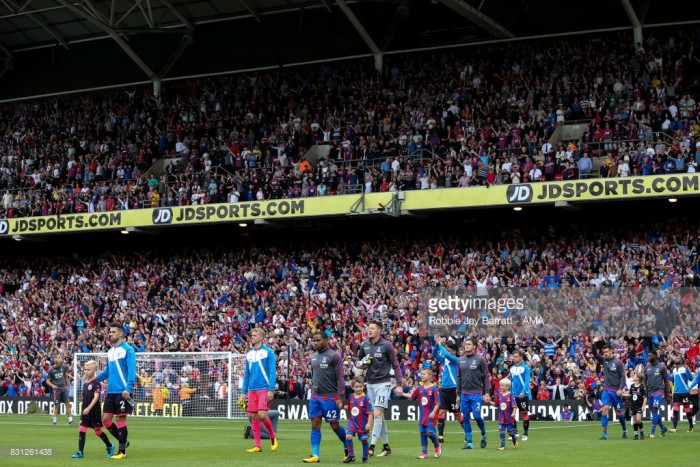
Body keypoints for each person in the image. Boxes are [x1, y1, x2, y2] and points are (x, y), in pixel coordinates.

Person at [356, 320, 403, 457]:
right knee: (379, 416)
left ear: (379, 330)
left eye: (372, 328)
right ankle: (386, 447)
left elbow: (396, 365)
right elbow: (360, 363)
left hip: (383, 383)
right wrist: (362, 364)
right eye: (368, 328)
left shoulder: (387, 345)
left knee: (376, 414)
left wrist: (399, 384)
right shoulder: (364, 345)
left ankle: (371, 447)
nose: (369, 330)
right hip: (369, 384)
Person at [303, 331, 347, 464]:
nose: (315, 343)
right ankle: (315, 455)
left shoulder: (335, 355)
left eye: (318, 340)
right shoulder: (314, 356)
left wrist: (340, 397)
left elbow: (340, 377)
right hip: (315, 397)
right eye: (314, 341)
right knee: (315, 425)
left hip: (330, 398)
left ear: (326, 340)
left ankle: (347, 447)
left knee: (335, 426)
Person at [96, 322, 136, 459]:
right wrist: (96, 379)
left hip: (123, 391)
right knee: (105, 420)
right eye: (110, 332)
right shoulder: (110, 351)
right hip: (111, 391)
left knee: (120, 419)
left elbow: (132, 371)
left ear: (120, 333)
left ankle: (122, 452)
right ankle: (123, 441)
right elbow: (108, 370)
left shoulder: (128, 350)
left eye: (113, 332)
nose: (110, 334)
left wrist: (128, 388)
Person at [242, 328, 278, 453]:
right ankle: (257, 445)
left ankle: (272, 435)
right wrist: (243, 392)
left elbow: (273, 371)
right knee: (253, 416)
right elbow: (246, 374)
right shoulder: (249, 354)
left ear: (261, 338)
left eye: (255, 335)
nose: (252, 337)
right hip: (252, 389)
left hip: (264, 388)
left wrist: (271, 389)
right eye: (252, 335)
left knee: (262, 414)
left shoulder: (268, 352)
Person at [71, 361, 115, 458]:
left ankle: (110, 445)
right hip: (85, 411)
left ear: (94, 370)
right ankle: (80, 452)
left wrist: (88, 408)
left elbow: (96, 398)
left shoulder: (96, 383)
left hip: (94, 411)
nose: (86, 371)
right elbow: (84, 397)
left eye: (88, 369)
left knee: (98, 431)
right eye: (85, 369)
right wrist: (83, 409)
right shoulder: (85, 384)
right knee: (82, 429)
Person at [457, 337, 490, 449]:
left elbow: (485, 377)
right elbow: (459, 378)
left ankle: (484, 434)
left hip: (476, 393)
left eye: (469, 344)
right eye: (465, 344)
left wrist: (486, 393)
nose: (466, 346)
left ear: (474, 346)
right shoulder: (460, 360)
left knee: (476, 416)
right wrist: (458, 394)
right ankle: (470, 442)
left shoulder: (480, 360)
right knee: (465, 417)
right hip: (464, 394)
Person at [592, 336, 627, 440]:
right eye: (604, 352)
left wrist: (621, 389)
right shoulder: (603, 361)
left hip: (616, 391)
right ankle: (605, 434)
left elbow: (623, 377)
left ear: (612, 351)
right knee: (604, 409)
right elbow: (595, 354)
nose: (605, 353)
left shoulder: (618, 362)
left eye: (607, 351)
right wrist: (594, 343)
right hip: (606, 390)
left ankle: (624, 429)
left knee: (619, 413)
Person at [403, 368, 441, 459]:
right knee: (422, 433)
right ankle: (424, 453)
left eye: (424, 374)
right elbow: (412, 396)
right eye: (421, 374)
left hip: (431, 415)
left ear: (430, 376)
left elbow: (438, 403)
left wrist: (433, 412)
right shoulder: (419, 388)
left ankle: (437, 444)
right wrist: (402, 394)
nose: (421, 375)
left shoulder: (434, 389)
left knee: (429, 432)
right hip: (422, 415)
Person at [433, 337, 463, 442]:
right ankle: (440, 437)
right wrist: (437, 345)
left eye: (449, 350)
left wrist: (440, 344)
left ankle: (467, 432)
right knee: (441, 412)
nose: (447, 352)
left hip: (454, 390)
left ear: (454, 351)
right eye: (447, 349)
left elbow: (445, 354)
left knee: (457, 414)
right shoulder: (445, 360)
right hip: (443, 390)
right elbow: (435, 354)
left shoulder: (457, 361)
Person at [343, 377, 373, 464]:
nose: (358, 388)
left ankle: (365, 457)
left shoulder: (366, 398)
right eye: (356, 387)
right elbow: (349, 407)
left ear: (363, 386)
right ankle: (351, 456)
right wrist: (340, 406)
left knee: (364, 440)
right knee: (348, 436)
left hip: (362, 423)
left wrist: (368, 423)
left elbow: (370, 413)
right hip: (352, 421)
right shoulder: (350, 396)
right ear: (353, 387)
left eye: (360, 386)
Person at [487, 378, 517, 451]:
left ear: (507, 387)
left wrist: (513, 412)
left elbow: (514, 406)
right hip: (501, 417)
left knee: (510, 432)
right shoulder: (498, 395)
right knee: (501, 430)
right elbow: (496, 404)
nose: (500, 387)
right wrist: (489, 401)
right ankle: (502, 446)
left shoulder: (510, 395)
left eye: (502, 385)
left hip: (509, 418)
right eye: (500, 385)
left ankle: (514, 439)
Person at [644, 350, 670, 437]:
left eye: (650, 356)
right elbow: (644, 380)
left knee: (655, 410)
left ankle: (652, 432)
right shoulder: (647, 367)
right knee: (654, 413)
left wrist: (667, 394)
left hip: (659, 391)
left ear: (655, 356)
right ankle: (663, 428)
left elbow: (666, 381)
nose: (648, 358)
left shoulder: (662, 367)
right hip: (650, 393)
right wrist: (645, 392)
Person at [46, 356, 76, 427]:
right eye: (60, 364)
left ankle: (71, 421)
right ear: (56, 363)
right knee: (56, 405)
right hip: (56, 390)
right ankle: (54, 421)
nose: (61, 366)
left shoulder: (63, 367)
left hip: (64, 388)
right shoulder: (51, 370)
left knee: (68, 404)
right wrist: (53, 386)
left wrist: (68, 386)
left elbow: (66, 377)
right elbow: (47, 381)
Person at [509, 349, 531, 440]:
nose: (514, 358)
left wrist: (523, 391)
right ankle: (515, 432)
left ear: (521, 357)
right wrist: (509, 392)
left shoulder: (526, 368)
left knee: (524, 413)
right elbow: (511, 381)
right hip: (513, 394)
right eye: (513, 357)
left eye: (516, 357)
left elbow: (527, 381)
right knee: (512, 414)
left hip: (523, 395)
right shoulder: (511, 368)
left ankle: (525, 434)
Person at [670, 353, 694, 433]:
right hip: (676, 393)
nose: (676, 359)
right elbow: (673, 380)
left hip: (684, 392)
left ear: (681, 361)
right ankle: (674, 427)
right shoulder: (673, 370)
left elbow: (690, 379)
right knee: (675, 409)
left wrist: (687, 370)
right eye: (676, 358)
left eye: (678, 358)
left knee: (687, 410)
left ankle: (691, 426)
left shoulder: (684, 368)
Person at [623, 371, 647, 439]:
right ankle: (636, 434)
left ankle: (642, 431)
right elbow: (630, 394)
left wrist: (643, 405)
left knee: (638, 420)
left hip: (639, 405)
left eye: (635, 376)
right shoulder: (632, 386)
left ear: (638, 378)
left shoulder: (642, 386)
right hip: (633, 405)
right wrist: (622, 394)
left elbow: (645, 397)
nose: (633, 376)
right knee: (635, 420)